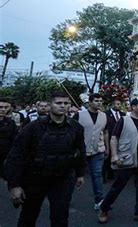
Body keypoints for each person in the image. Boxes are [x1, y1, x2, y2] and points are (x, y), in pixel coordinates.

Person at [4, 91, 86, 227]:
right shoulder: (33, 128)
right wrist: (14, 185)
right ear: (50, 105)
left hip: (63, 179)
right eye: (58, 103)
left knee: (60, 217)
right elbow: (16, 155)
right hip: (35, 178)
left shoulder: (75, 128)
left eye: (66, 103)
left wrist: (80, 173)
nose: (62, 106)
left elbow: (80, 150)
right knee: (28, 216)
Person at [98, 98, 138, 223]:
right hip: (127, 159)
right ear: (133, 107)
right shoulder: (124, 120)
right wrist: (114, 155)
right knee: (118, 186)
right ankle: (103, 208)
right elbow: (114, 138)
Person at [74, 93, 109, 210]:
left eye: (100, 101)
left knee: (97, 175)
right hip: (80, 151)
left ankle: (99, 200)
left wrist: (107, 147)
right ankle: (65, 198)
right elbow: (72, 132)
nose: (99, 103)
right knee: (73, 175)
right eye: (96, 101)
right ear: (89, 102)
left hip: (98, 150)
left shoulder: (104, 116)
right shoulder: (79, 115)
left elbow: (105, 132)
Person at [103, 98, 125, 182]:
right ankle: (105, 175)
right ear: (113, 105)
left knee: (118, 155)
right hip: (109, 137)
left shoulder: (123, 114)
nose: (118, 106)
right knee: (108, 157)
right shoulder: (106, 114)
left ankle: (114, 174)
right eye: (117, 104)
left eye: (119, 104)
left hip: (119, 138)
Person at [0, 97, 18, 179]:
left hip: (6, 157)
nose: (3, 109)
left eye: (5, 107)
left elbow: (15, 139)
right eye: (0, 107)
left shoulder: (10, 122)